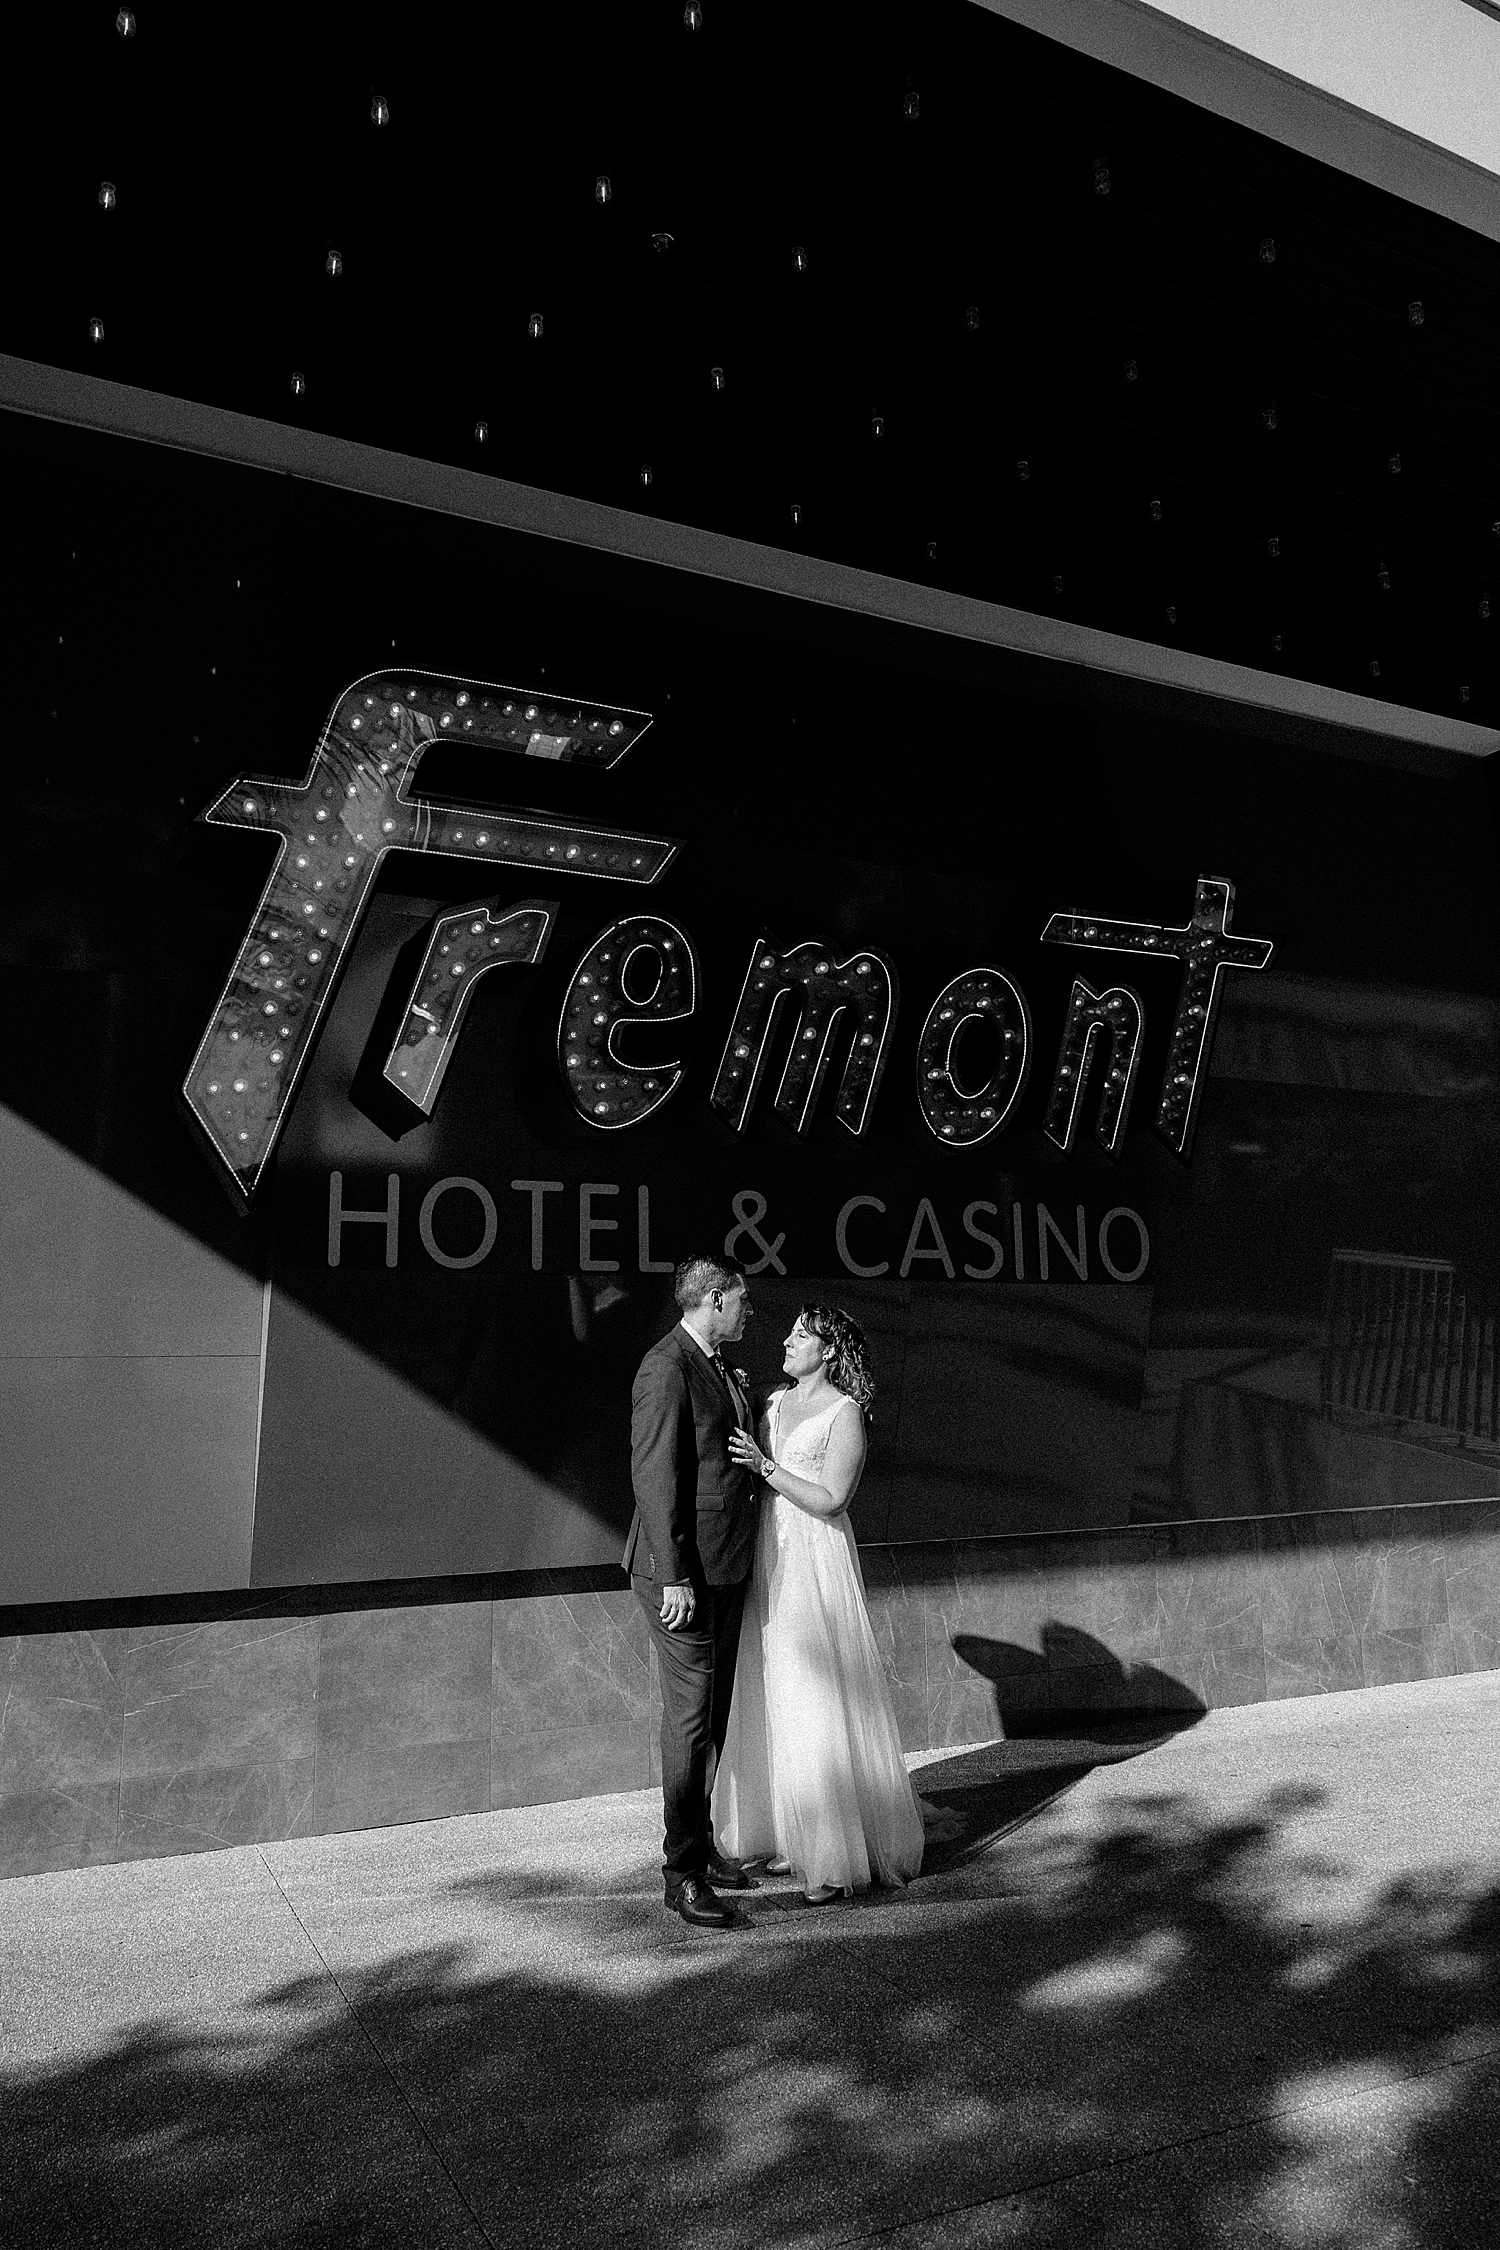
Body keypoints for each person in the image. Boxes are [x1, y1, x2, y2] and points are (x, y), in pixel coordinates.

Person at [714, 1303, 926, 1903]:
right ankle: (793, 1835)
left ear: (827, 1350)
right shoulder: (775, 1404)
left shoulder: (845, 1412)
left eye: (799, 1335)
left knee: (816, 1694)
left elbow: (833, 1497)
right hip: (770, 1558)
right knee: (775, 1688)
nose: (785, 1341)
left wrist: (766, 1466)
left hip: (815, 1561)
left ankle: (832, 1858)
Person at [625, 1253, 761, 1928]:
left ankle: (701, 1849)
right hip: (680, 1575)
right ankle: (680, 1875)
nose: (750, 1311)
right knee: (689, 1721)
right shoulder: (666, 1365)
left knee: (713, 1720)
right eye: (741, 1300)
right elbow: (654, 1476)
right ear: (713, 1299)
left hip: (726, 1566)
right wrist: (673, 1572)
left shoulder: (717, 1365)